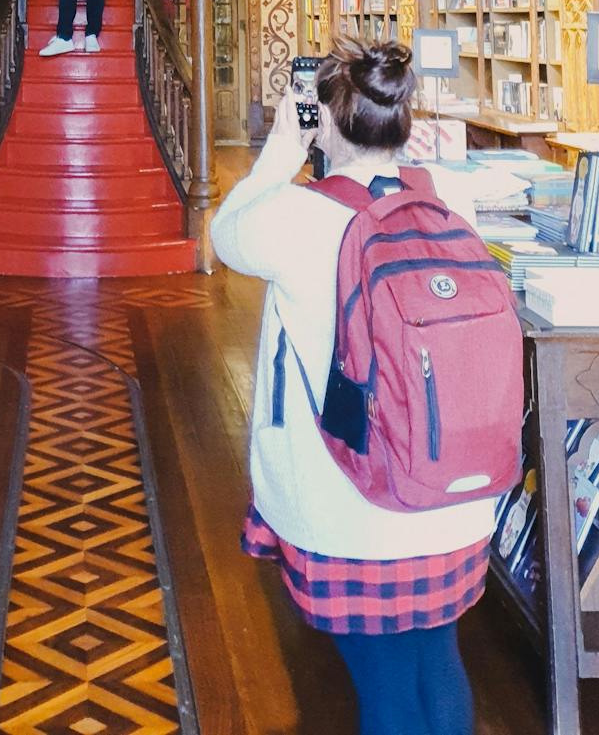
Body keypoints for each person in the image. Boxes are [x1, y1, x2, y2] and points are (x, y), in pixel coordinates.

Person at [211, 39, 514, 735]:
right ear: (402, 118)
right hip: (455, 495)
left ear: (326, 121)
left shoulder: (295, 217)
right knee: (437, 662)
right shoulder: (454, 197)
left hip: (353, 503)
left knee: (381, 687)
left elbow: (224, 234)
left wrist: (284, 150)